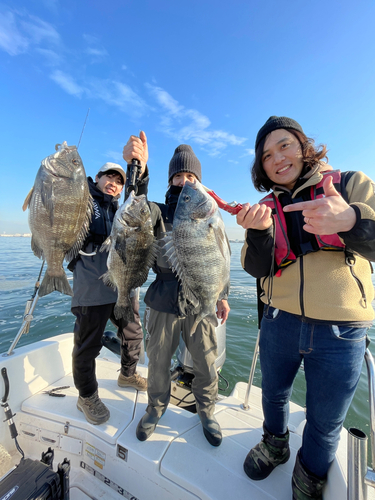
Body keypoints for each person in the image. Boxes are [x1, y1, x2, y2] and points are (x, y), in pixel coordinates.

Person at [236, 116, 375, 499]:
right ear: (261, 167)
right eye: (266, 155)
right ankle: (275, 445)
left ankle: (310, 474)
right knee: (273, 394)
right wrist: (259, 233)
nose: (277, 158)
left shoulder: (348, 184)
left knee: (326, 420)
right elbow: (254, 266)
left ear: (303, 145)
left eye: (285, 145)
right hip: (279, 319)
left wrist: (351, 219)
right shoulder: (264, 208)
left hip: (341, 329)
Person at [122, 135, 230, 447]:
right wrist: (137, 171)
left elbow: (219, 256)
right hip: (163, 300)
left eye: (191, 176)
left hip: (201, 301)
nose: (184, 181)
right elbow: (134, 207)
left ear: (199, 182)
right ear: (170, 181)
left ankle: (207, 410)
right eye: (178, 176)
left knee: (207, 363)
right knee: (157, 362)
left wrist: (223, 294)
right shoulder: (156, 212)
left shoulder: (210, 215)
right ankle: (156, 407)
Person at [69, 160, 148, 425]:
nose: (113, 182)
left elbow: (138, 202)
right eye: (109, 177)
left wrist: (139, 169)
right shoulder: (83, 202)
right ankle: (86, 396)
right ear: (97, 178)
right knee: (87, 346)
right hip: (92, 289)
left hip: (122, 287)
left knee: (134, 333)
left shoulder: (120, 209)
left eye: (119, 180)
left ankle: (127, 374)